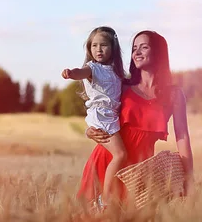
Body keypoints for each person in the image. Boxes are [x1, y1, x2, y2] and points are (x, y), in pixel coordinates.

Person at [78, 30, 194, 209]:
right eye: (134, 48)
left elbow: (183, 137)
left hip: (139, 171)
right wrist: (89, 131)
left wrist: (189, 177)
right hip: (108, 161)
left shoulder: (174, 95)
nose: (137, 53)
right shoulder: (122, 86)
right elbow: (99, 109)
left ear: (158, 52)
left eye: (144, 47)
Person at [61, 26, 128, 208]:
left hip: (111, 115)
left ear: (113, 48)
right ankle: (105, 199)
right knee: (120, 154)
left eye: (103, 45)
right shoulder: (92, 69)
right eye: (94, 46)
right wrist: (71, 73)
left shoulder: (116, 72)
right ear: (89, 49)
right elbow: (80, 72)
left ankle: (108, 196)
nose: (98, 49)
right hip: (101, 115)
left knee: (119, 154)